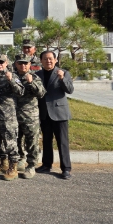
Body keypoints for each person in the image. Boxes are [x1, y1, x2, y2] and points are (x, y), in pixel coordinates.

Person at [0, 54, 25, 181]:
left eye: (1, 62)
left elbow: (20, 91)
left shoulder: (12, 75)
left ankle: (13, 168)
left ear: (6, 63)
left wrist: (11, 80)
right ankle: (4, 163)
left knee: (10, 143)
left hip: (7, 116)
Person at [36, 50, 74, 180]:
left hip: (59, 112)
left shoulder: (64, 73)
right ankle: (46, 164)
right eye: (45, 59)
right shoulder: (37, 75)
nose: (48, 61)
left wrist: (62, 78)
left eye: (50, 58)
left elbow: (70, 90)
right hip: (44, 112)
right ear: (41, 61)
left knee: (62, 141)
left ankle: (66, 168)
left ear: (55, 60)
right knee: (46, 140)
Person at [13, 54, 46, 179]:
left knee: (31, 142)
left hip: (30, 116)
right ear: (16, 64)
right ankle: (20, 160)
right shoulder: (12, 76)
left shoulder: (34, 77)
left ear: (29, 64)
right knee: (16, 140)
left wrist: (31, 82)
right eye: (20, 63)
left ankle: (31, 165)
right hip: (14, 115)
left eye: (25, 63)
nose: (23, 65)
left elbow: (41, 93)